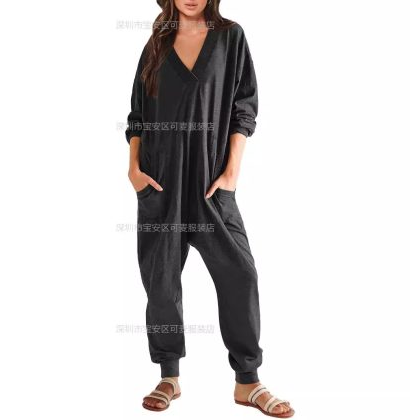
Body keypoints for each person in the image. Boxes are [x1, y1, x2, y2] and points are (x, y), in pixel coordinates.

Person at [125, 0, 294, 417]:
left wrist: (232, 171)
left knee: (240, 273)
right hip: (160, 184)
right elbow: (137, 116)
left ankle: (248, 380)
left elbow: (243, 107)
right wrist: (134, 170)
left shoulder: (229, 37)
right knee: (161, 280)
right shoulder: (156, 44)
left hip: (210, 186)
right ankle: (168, 375)